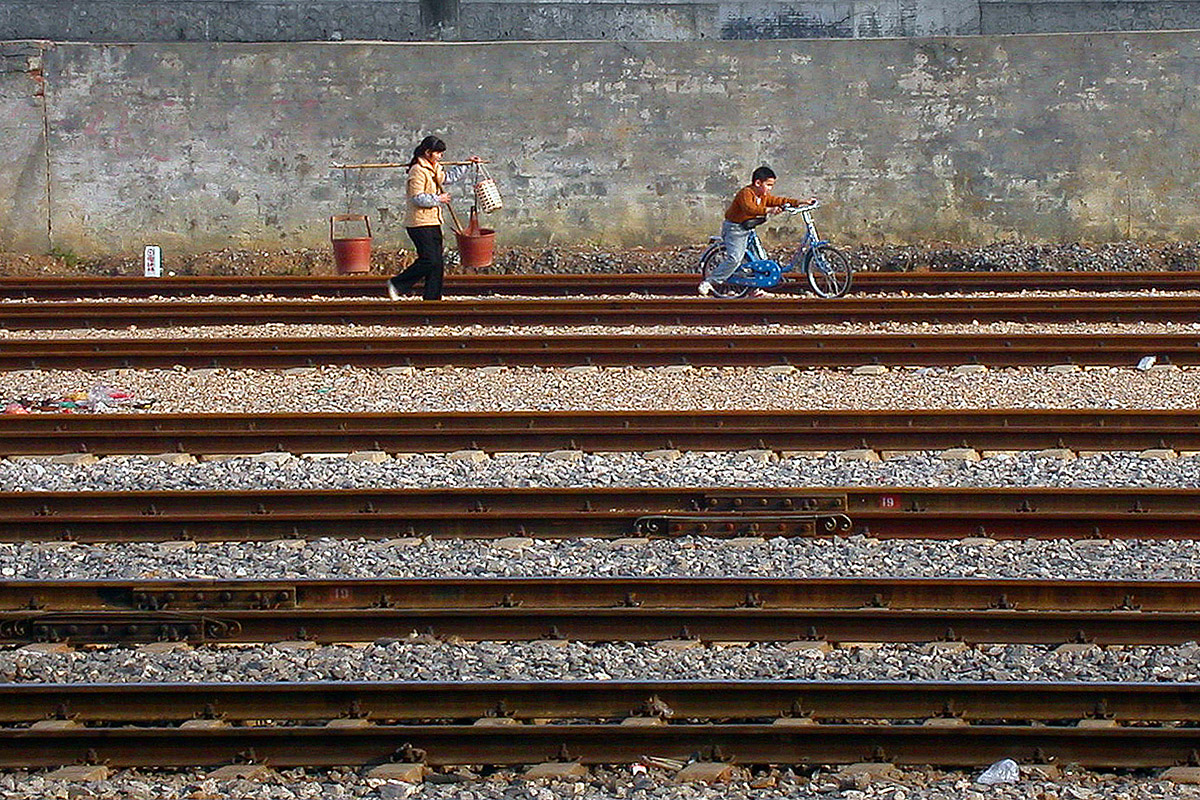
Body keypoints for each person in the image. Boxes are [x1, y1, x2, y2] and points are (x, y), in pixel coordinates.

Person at [387, 135, 480, 301]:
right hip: (419, 223)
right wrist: (438, 199)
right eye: (438, 153)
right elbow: (417, 198)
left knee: (437, 263)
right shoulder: (417, 171)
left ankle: (433, 298)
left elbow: (447, 178)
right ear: (428, 152)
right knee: (429, 260)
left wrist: (466, 164)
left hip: (433, 221)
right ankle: (397, 284)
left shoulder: (434, 167)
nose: (440, 156)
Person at [699, 165, 815, 297]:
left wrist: (801, 202)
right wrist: (768, 210)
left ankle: (755, 288)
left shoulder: (763, 195)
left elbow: (779, 200)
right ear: (758, 183)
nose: (770, 189)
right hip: (735, 229)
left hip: (748, 227)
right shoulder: (746, 193)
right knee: (735, 259)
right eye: (768, 185)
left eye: (772, 185)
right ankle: (710, 282)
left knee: (760, 260)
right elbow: (749, 208)